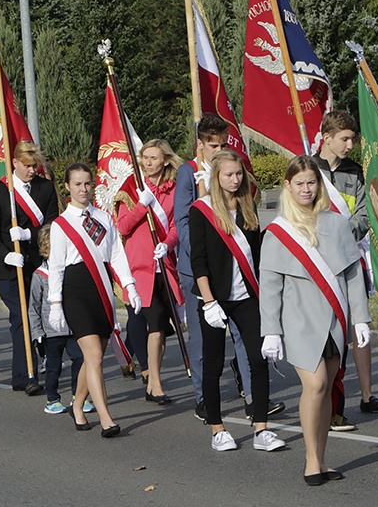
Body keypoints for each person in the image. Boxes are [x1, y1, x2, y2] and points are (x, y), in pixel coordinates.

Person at [260, 155, 371, 484]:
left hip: (334, 318)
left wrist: (361, 318)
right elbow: (269, 286)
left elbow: (352, 274)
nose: (306, 189)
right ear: (288, 186)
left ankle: (322, 460)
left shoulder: (337, 223)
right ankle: (310, 461)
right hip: (298, 320)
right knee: (317, 384)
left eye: (311, 182)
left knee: (327, 391)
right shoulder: (278, 231)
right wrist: (271, 331)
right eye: (300, 183)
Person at [175, 113, 276, 422]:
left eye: (222, 144)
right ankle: (203, 398)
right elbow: (183, 223)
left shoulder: (235, 175)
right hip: (201, 272)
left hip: (239, 272)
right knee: (205, 343)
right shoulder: (188, 173)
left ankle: (251, 397)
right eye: (212, 145)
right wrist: (208, 254)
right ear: (200, 144)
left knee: (247, 341)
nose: (217, 150)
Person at [189, 149, 286, 453]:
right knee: (213, 364)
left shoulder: (248, 207)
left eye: (238, 173)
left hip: (247, 296)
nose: (235, 179)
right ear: (216, 177)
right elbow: (199, 261)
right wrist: (208, 303)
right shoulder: (201, 210)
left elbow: (257, 257)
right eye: (228, 174)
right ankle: (217, 429)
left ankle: (261, 429)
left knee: (258, 360)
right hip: (214, 299)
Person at [48, 163, 139, 437]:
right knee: (96, 355)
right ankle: (106, 417)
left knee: (92, 358)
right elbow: (56, 266)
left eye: (87, 183)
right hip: (75, 291)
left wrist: (130, 285)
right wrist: (55, 304)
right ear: (67, 186)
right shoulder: (61, 224)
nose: (83, 189)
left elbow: (117, 254)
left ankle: (77, 405)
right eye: (77, 184)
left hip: (101, 288)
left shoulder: (103, 217)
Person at [312, 110, 378, 432]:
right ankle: (324, 396)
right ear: (326, 137)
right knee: (329, 332)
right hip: (318, 262)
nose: (350, 144)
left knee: (360, 323)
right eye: (344, 138)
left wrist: (342, 235)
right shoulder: (308, 169)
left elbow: (363, 215)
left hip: (349, 256)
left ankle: (367, 394)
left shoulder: (356, 172)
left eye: (353, 138)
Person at [0, 140, 59, 395]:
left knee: (41, 315)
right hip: (9, 268)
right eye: (26, 165)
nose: (31, 170)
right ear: (14, 162)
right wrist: (5, 256)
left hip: (36, 264)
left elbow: (51, 226)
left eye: (34, 165)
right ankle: (25, 375)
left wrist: (29, 234)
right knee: (21, 316)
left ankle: (45, 363)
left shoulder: (45, 188)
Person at [115, 139, 182, 404]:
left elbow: (176, 225)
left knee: (162, 329)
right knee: (154, 325)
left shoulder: (173, 189)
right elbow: (123, 227)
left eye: (154, 158)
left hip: (163, 265)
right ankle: (154, 383)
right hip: (140, 268)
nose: (148, 162)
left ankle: (154, 379)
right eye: (145, 157)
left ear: (165, 160)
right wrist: (142, 206)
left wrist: (168, 244)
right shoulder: (132, 188)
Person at [28, 223, 89, 415]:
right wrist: (37, 332)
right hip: (52, 330)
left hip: (72, 327)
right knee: (53, 367)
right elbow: (33, 307)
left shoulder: (69, 271)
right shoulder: (39, 275)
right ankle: (52, 399)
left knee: (80, 359)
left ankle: (77, 395)